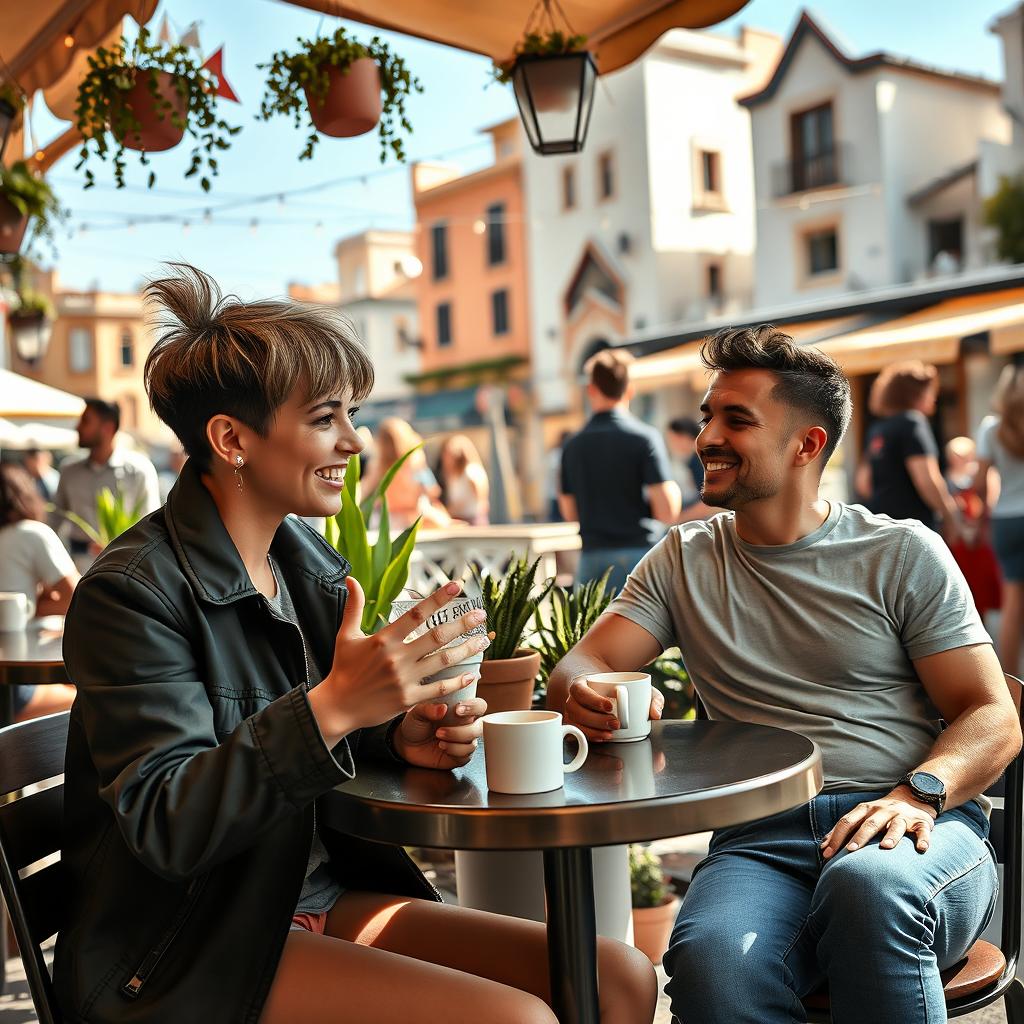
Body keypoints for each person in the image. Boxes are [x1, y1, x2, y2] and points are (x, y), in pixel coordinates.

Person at [54, 264, 655, 1024]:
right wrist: (334, 707)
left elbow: (324, 737)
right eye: (325, 417)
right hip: (185, 948)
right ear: (231, 439)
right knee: (519, 1020)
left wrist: (403, 734)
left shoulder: (302, 565)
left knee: (623, 978)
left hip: (315, 898)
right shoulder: (131, 595)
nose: (356, 440)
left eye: (354, 413)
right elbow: (167, 822)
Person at [549, 325, 1020, 1024]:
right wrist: (582, 689)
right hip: (761, 842)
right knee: (711, 963)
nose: (706, 436)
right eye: (708, 415)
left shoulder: (900, 552)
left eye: (736, 419)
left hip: (919, 826)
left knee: (869, 888)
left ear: (807, 445)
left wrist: (917, 794)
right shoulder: (683, 560)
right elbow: (580, 665)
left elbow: (993, 714)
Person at [559, 349, 681, 591]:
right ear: (630, 390)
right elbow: (667, 511)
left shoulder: (572, 445)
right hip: (639, 556)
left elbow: (570, 512)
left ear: (591, 390)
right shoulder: (644, 438)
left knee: (590, 627)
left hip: (592, 558)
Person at [0, 463, 79, 721]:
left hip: (12, 678)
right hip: (15, 689)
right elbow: (79, 598)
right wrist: (37, 605)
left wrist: (32, 604)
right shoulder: (31, 533)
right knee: (101, 699)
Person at [857, 361, 960, 541]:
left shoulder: (877, 429)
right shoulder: (912, 422)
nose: (934, 398)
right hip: (914, 527)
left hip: (883, 525)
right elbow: (927, 480)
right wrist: (950, 515)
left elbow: (863, 483)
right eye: (930, 392)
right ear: (915, 394)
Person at [54, 397, 161, 570]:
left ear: (108, 428)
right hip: (76, 567)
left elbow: (151, 525)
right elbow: (54, 520)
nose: (77, 427)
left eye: (86, 421)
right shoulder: (69, 471)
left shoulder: (138, 470)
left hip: (125, 566)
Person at [976, 364, 1024, 675]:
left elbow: (980, 483)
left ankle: (1011, 687)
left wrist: (983, 512)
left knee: (1012, 603)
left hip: (1006, 518)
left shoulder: (991, 428)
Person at [361, 417, 451, 530]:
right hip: (413, 515)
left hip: (393, 518)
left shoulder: (378, 464)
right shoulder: (414, 458)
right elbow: (432, 490)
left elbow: (364, 491)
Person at [665, 417, 713, 522]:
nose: (670, 444)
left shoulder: (699, 460)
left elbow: (707, 504)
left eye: (672, 439)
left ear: (684, 437)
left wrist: (676, 521)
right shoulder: (693, 458)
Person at [440, 434, 490, 525]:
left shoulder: (471, 471)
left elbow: (480, 498)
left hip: (472, 519)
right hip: (459, 518)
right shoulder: (453, 475)